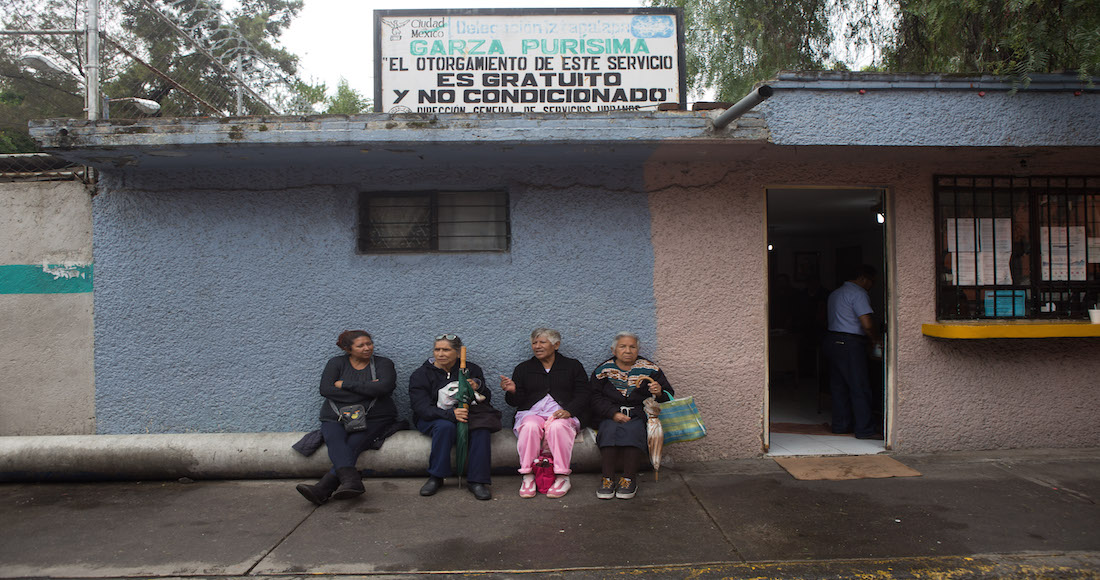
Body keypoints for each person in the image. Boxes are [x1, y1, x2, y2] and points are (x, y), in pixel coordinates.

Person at [296, 330, 400, 505]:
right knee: (334, 439)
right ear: (348, 349)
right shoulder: (336, 363)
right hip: (335, 416)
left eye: (369, 343)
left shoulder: (383, 363)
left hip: (374, 417)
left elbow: (384, 388)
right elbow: (326, 390)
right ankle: (351, 481)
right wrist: (367, 390)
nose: (367, 348)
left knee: (354, 443)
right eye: (361, 346)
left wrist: (345, 385)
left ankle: (324, 488)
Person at [500, 328, 589, 499]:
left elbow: (584, 393)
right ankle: (528, 475)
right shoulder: (523, 368)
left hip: (562, 414)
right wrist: (512, 391)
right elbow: (515, 402)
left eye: (542, 342)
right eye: (534, 343)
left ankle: (562, 476)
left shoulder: (572, 366)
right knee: (530, 426)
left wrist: (569, 411)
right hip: (532, 413)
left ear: (556, 345)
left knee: (557, 427)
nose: (537, 346)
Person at [409, 334, 494, 500]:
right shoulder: (421, 374)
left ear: (458, 353)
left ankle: (477, 481)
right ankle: (436, 476)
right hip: (433, 418)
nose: (440, 354)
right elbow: (421, 407)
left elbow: (486, 397)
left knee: (481, 430)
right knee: (445, 427)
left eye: (446, 350)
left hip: (469, 414)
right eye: (437, 349)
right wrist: (451, 414)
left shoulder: (470, 369)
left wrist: (477, 386)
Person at [588, 332, 673, 500]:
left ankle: (628, 479)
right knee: (608, 430)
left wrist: (659, 392)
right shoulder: (603, 370)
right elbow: (593, 397)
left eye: (632, 347)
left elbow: (668, 395)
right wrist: (612, 413)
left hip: (638, 414)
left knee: (634, 432)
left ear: (638, 349)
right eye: (623, 346)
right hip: (610, 414)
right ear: (614, 350)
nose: (628, 350)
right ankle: (607, 479)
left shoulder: (650, 369)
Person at [823, 265, 883, 440]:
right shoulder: (858, 294)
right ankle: (865, 429)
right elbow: (866, 322)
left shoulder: (835, 293)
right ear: (864, 278)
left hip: (832, 340)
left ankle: (841, 425)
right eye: (871, 282)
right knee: (859, 386)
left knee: (838, 386)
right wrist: (875, 339)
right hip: (850, 342)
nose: (871, 286)